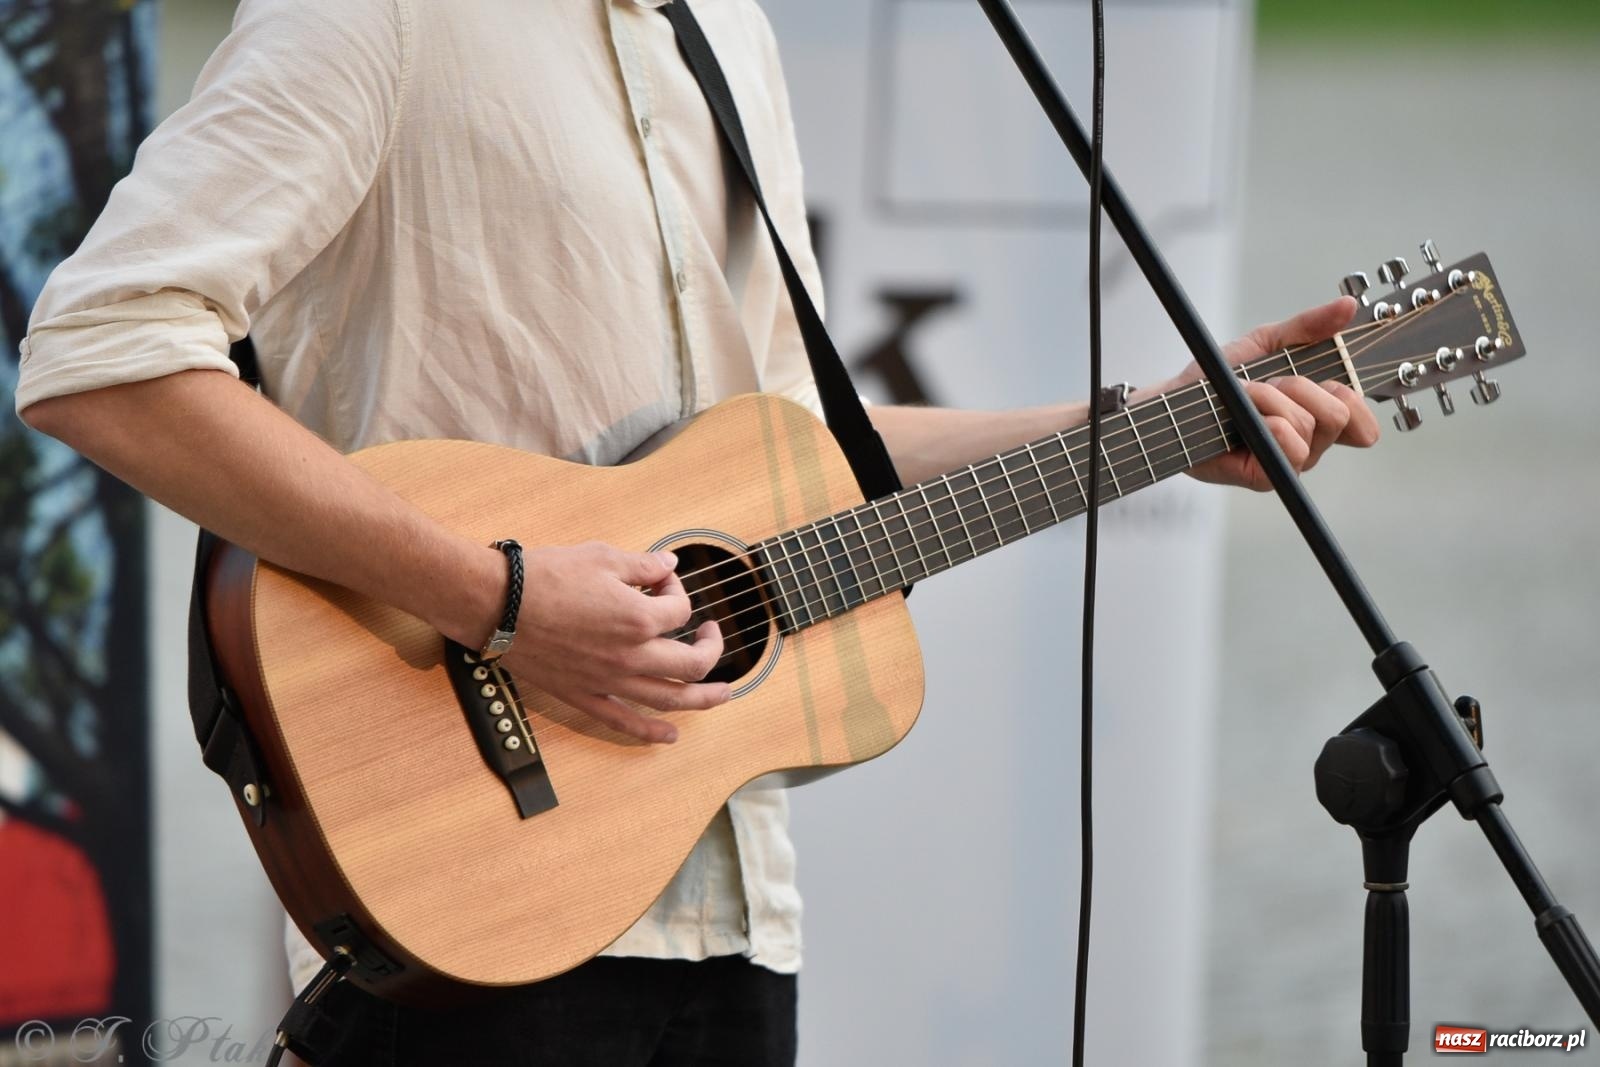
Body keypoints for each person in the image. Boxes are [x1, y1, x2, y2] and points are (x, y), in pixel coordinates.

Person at [15, 0, 1379, 1063]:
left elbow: (796, 452)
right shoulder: (376, 15)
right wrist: (497, 599)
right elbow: (102, 351)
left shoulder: (724, 30)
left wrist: (1150, 421)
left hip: (731, 911)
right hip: (473, 902)